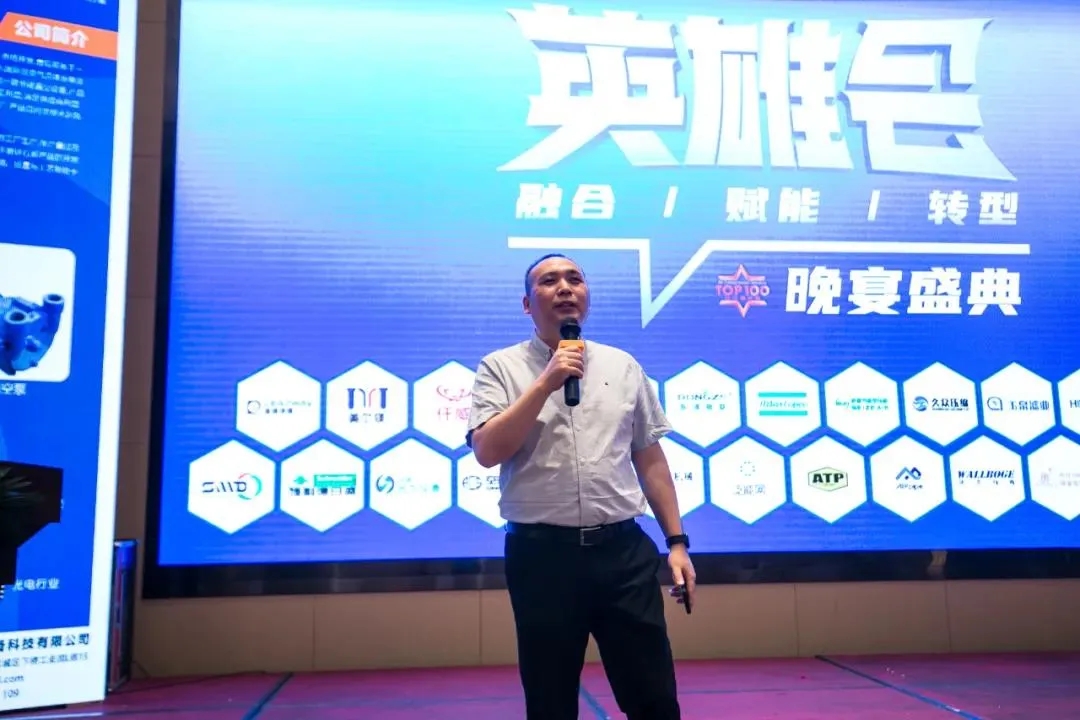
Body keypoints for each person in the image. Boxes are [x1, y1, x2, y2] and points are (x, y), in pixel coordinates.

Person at [465, 253, 695, 720]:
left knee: (654, 698)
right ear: (527, 304)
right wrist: (545, 382)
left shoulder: (622, 365)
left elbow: (649, 457)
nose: (565, 288)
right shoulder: (500, 367)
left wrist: (677, 542)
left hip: (623, 553)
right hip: (541, 558)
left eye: (575, 279)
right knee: (549, 701)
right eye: (549, 281)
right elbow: (487, 451)